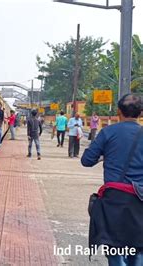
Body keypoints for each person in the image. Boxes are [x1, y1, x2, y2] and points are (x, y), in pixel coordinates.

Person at [81, 93, 143, 266]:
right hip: (140, 200)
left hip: (114, 199)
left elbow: (86, 161)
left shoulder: (107, 132)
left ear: (118, 111)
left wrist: (104, 155)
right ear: (141, 113)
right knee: (137, 251)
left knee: (115, 250)